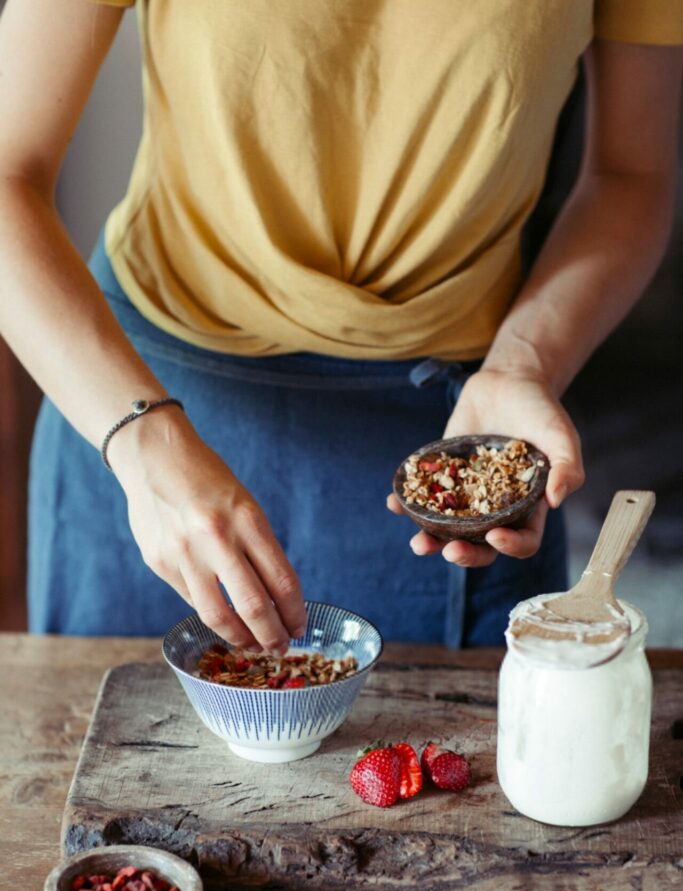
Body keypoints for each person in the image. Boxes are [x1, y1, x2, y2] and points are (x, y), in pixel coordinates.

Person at [0, 0, 681, 650]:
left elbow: (628, 175)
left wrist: (524, 362)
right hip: (139, 413)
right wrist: (143, 445)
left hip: (459, 427)